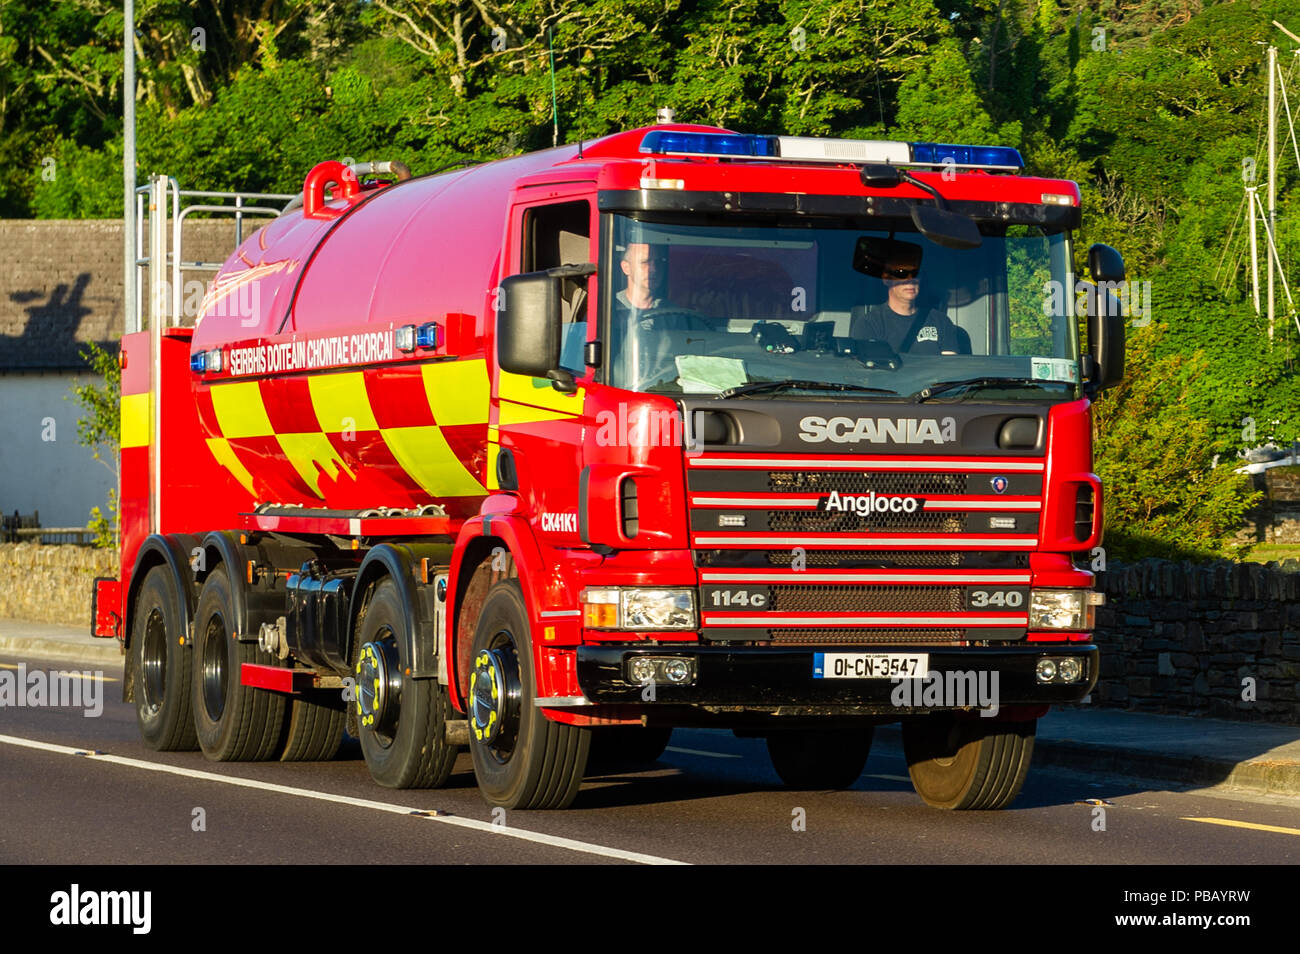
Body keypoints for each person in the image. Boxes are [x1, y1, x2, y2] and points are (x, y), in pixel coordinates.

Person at [850, 245, 968, 355]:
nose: (910, 280)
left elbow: (948, 369)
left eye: (915, 273)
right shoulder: (869, 324)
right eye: (902, 273)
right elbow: (870, 372)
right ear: (886, 280)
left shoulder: (941, 322)